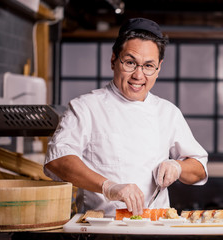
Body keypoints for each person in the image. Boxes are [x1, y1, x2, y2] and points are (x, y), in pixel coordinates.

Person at [44, 18, 208, 217]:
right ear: (114, 59)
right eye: (130, 63)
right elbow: (58, 160)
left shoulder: (168, 112)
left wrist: (178, 166)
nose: (138, 75)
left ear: (159, 67)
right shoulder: (85, 107)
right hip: (101, 229)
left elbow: (199, 168)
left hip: (155, 228)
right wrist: (108, 187)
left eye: (148, 66)